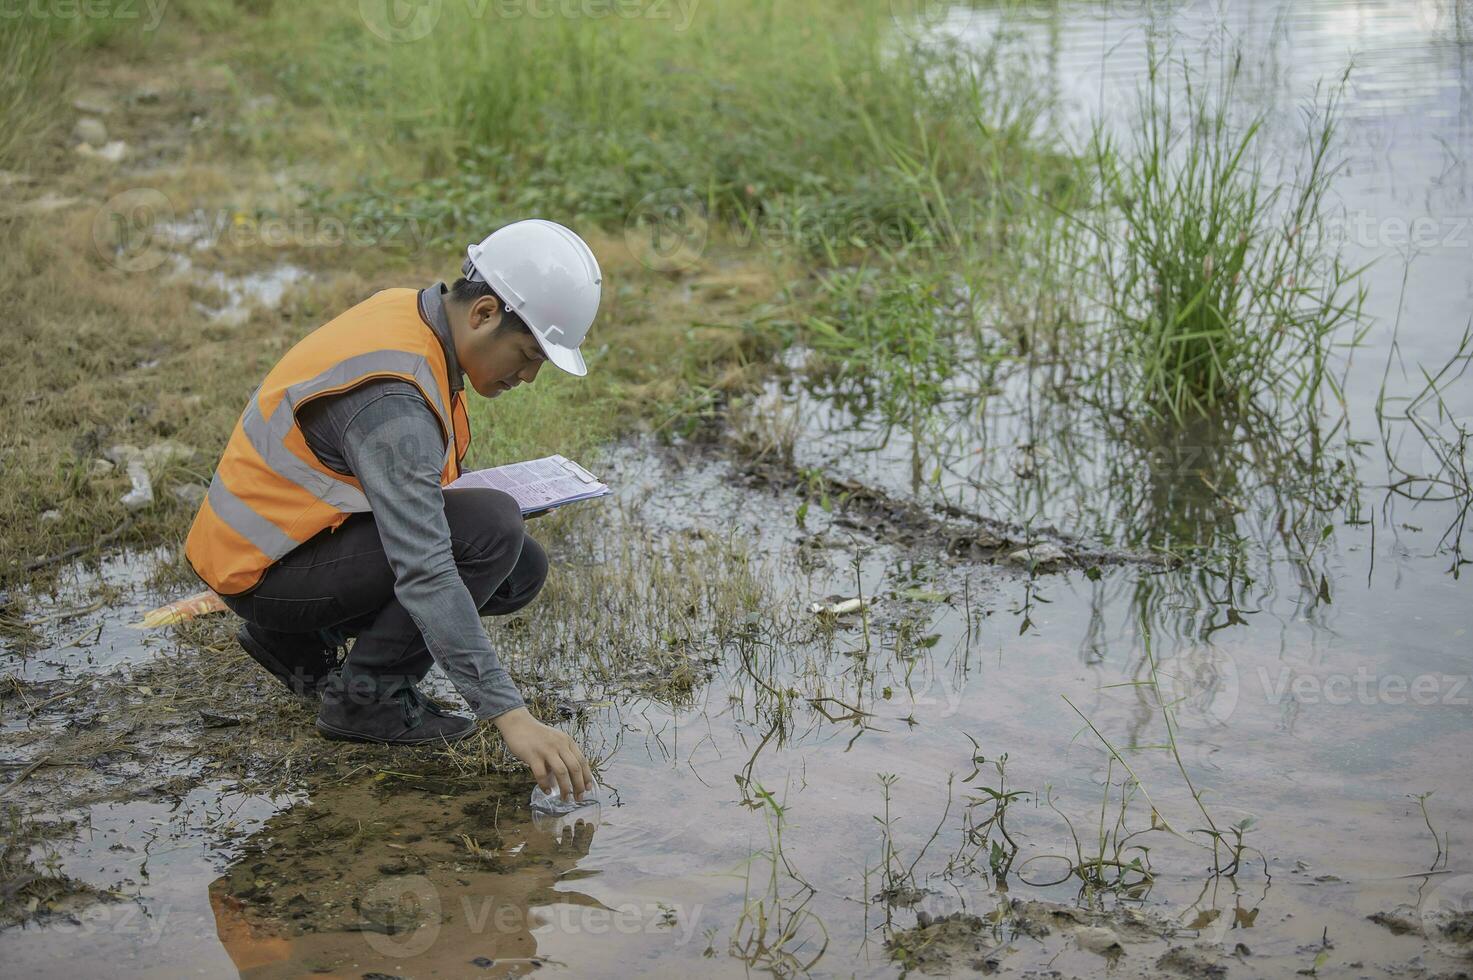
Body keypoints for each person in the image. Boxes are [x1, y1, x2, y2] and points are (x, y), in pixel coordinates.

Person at [183, 219, 598, 802]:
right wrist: (510, 715)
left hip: (287, 550)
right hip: (263, 572)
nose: (528, 376)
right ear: (483, 314)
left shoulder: (414, 315)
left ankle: (298, 642)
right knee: (490, 532)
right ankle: (366, 701)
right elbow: (424, 568)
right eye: (528, 354)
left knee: (519, 564)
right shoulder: (393, 399)